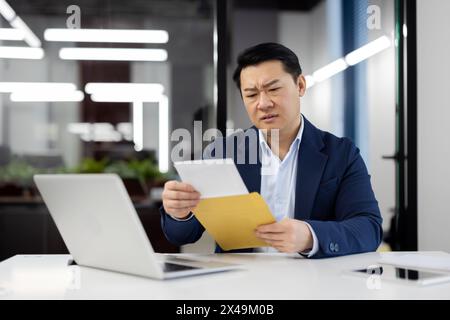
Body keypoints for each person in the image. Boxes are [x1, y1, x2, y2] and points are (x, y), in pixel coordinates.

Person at [160, 42, 382, 258]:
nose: (263, 103)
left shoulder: (341, 154)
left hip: (313, 283)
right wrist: (180, 213)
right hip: (240, 283)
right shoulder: (222, 153)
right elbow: (183, 235)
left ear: (300, 86)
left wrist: (310, 236)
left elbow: (368, 229)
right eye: (251, 94)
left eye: (273, 89)